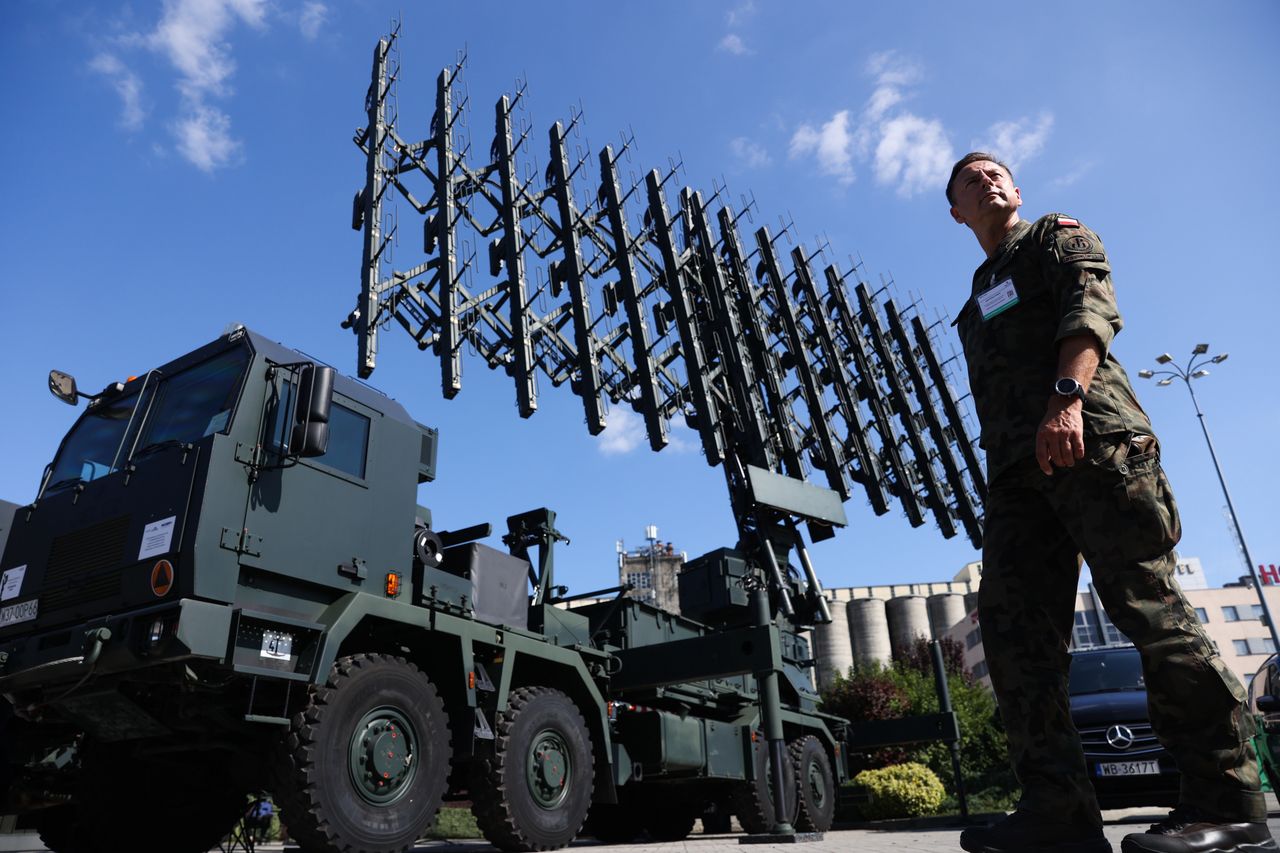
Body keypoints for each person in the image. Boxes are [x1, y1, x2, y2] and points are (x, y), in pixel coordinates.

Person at [946, 152, 1275, 853]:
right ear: (956, 213)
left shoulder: (1056, 236)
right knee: (1014, 639)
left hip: (1091, 439)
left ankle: (1229, 801)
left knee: (1150, 608)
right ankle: (1057, 812)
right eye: (970, 181)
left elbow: (1090, 308)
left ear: (1016, 188)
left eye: (994, 172)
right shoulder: (978, 293)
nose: (987, 181)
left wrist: (1065, 400)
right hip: (1015, 477)